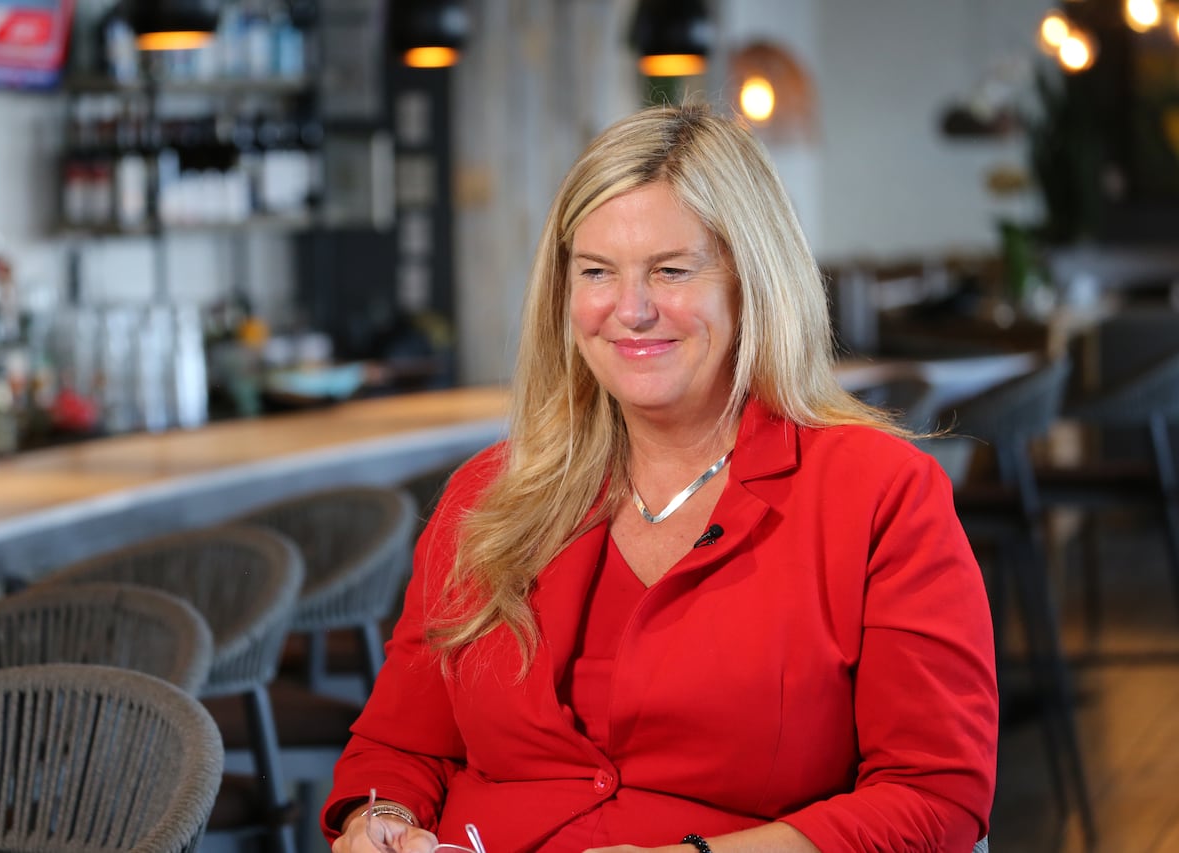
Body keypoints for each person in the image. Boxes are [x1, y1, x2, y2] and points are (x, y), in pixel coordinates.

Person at [323, 102, 997, 853]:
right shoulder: (488, 494)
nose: (631, 310)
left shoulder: (879, 493)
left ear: (752, 285)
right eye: (597, 273)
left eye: (672, 271)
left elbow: (935, 797)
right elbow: (399, 745)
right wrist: (379, 824)